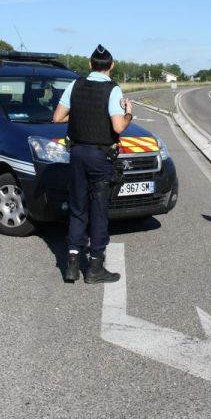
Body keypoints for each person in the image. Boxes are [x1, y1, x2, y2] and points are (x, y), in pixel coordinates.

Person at [52, 44, 133, 284]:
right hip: (100, 157)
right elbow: (118, 127)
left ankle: (71, 266)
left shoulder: (75, 85)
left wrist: (77, 116)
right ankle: (95, 267)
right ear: (112, 65)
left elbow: (57, 117)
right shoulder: (113, 90)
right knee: (98, 211)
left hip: (76, 154)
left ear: (89, 65)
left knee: (78, 209)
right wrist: (129, 114)